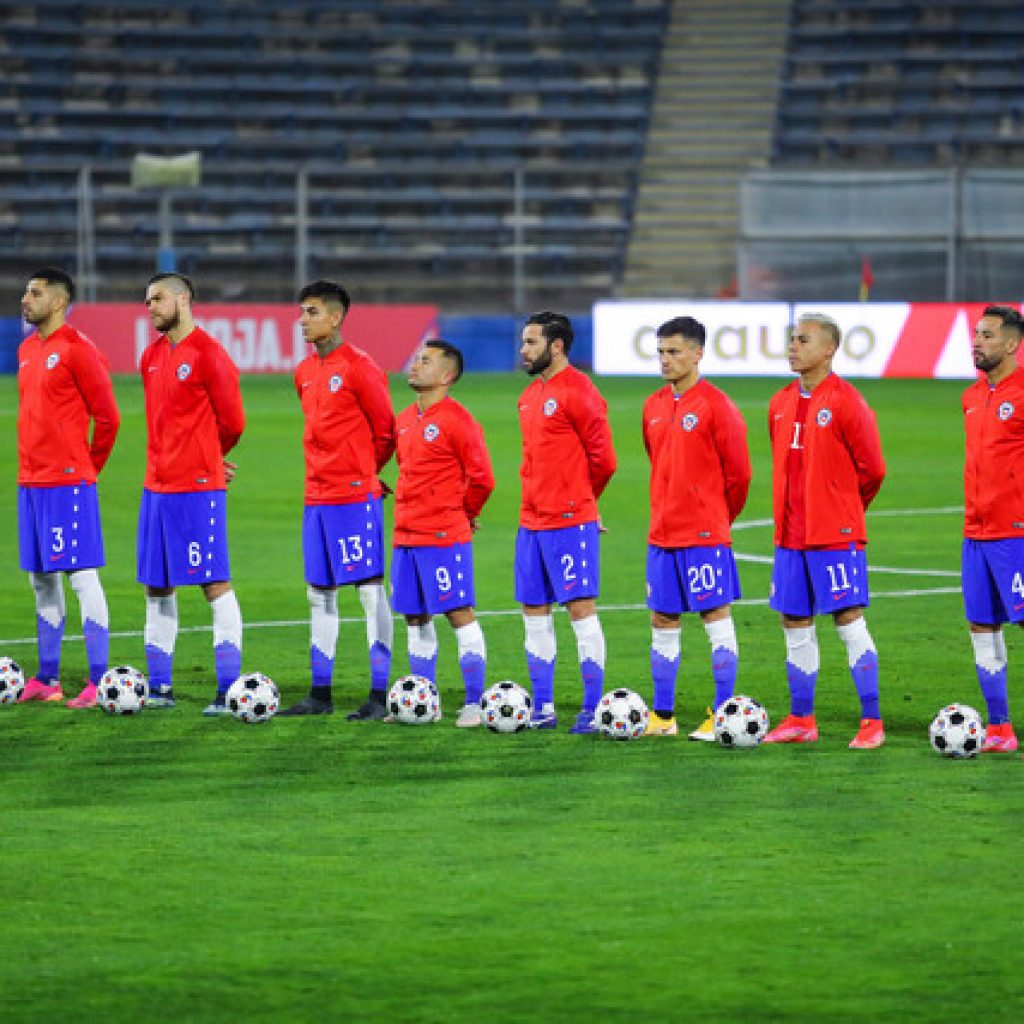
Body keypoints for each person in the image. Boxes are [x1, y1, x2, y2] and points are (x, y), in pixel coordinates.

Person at [763, 312, 886, 749]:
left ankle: (872, 721)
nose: (793, 347)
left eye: (804, 340)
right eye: (792, 339)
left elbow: (873, 469)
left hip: (834, 534)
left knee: (848, 619)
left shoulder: (847, 400)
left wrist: (844, 510)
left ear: (830, 348)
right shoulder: (779, 403)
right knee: (794, 621)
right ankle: (801, 719)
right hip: (790, 536)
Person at [279, 280, 396, 719]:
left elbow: (385, 431)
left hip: (353, 498)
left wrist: (363, 474)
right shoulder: (304, 372)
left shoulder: (360, 367)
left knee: (369, 592)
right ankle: (320, 694)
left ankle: (379, 695)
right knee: (319, 594)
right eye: (301, 312)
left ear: (335, 317)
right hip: (316, 498)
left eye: (311, 312)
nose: (302, 321)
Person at [138, 272, 246, 714]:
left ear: (183, 300)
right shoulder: (150, 356)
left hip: (196, 490)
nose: (150, 306)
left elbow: (233, 422)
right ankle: (159, 688)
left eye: (158, 298)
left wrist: (206, 458)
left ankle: (228, 689)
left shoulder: (209, 353)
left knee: (213, 583)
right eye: (147, 300)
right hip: (155, 488)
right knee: (157, 585)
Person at [641, 316, 751, 739]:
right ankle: (663, 716)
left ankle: (722, 713)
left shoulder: (717, 406)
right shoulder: (653, 406)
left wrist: (716, 519)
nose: (665, 360)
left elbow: (739, 475)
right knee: (663, 619)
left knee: (715, 616)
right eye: (661, 352)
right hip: (662, 534)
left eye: (674, 352)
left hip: (704, 535)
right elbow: (658, 462)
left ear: (698, 353)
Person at [16, 267, 120, 708]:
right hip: (31, 482)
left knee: (81, 577)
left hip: (66, 482)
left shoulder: (79, 350)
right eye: (26, 292)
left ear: (58, 302)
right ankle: (48, 678)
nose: (25, 299)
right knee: (41, 579)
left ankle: (98, 681)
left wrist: (87, 469)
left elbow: (108, 417)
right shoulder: (26, 349)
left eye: (35, 293)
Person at [515, 311, 617, 732]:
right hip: (530, 523)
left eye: (532, 342)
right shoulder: (529, 396)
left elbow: (604, 460)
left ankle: (591, 709)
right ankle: (543, 707)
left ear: (556, 346)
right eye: (523, 342)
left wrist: (583, 504)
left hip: (569, 521)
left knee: (580, 609)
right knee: (533, 611)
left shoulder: (580, 391)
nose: (523, 350)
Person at [390, 340, 495, 726]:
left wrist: (463, 513)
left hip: (442, 536)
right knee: (414, 616)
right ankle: (425, 700)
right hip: (405, 535)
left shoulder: (458, 420)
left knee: (458, 612)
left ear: (446, 375)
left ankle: (474, 703)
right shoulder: (404, 419)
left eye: (426, 361)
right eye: (416, 358)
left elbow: (482, 478)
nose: (415, 365)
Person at [961, 305, 1024, 753]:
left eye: (987, 335)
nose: (977, 342)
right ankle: (1000, 728)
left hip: (1016, 533)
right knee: (982, 625)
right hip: (976, 532)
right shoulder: (971, 396)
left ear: (1013, 344)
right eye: (976, 334)